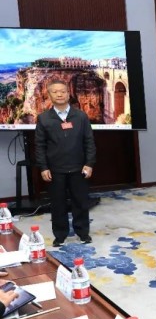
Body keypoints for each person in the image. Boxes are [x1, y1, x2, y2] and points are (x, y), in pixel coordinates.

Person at [35, 79, 96, 247]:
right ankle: (60, 235)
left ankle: (83, 233)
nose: (59, 94)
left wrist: (89, 163)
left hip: (79, 168)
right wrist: (43, 167)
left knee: (80, 202)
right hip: (55, 169)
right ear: (49, 95)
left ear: (68, 94)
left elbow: (89, 142)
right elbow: (39, 146)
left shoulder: (81, 116)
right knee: (58, 204)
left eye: (63, 91)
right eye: (55, 92)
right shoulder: (44, 118)